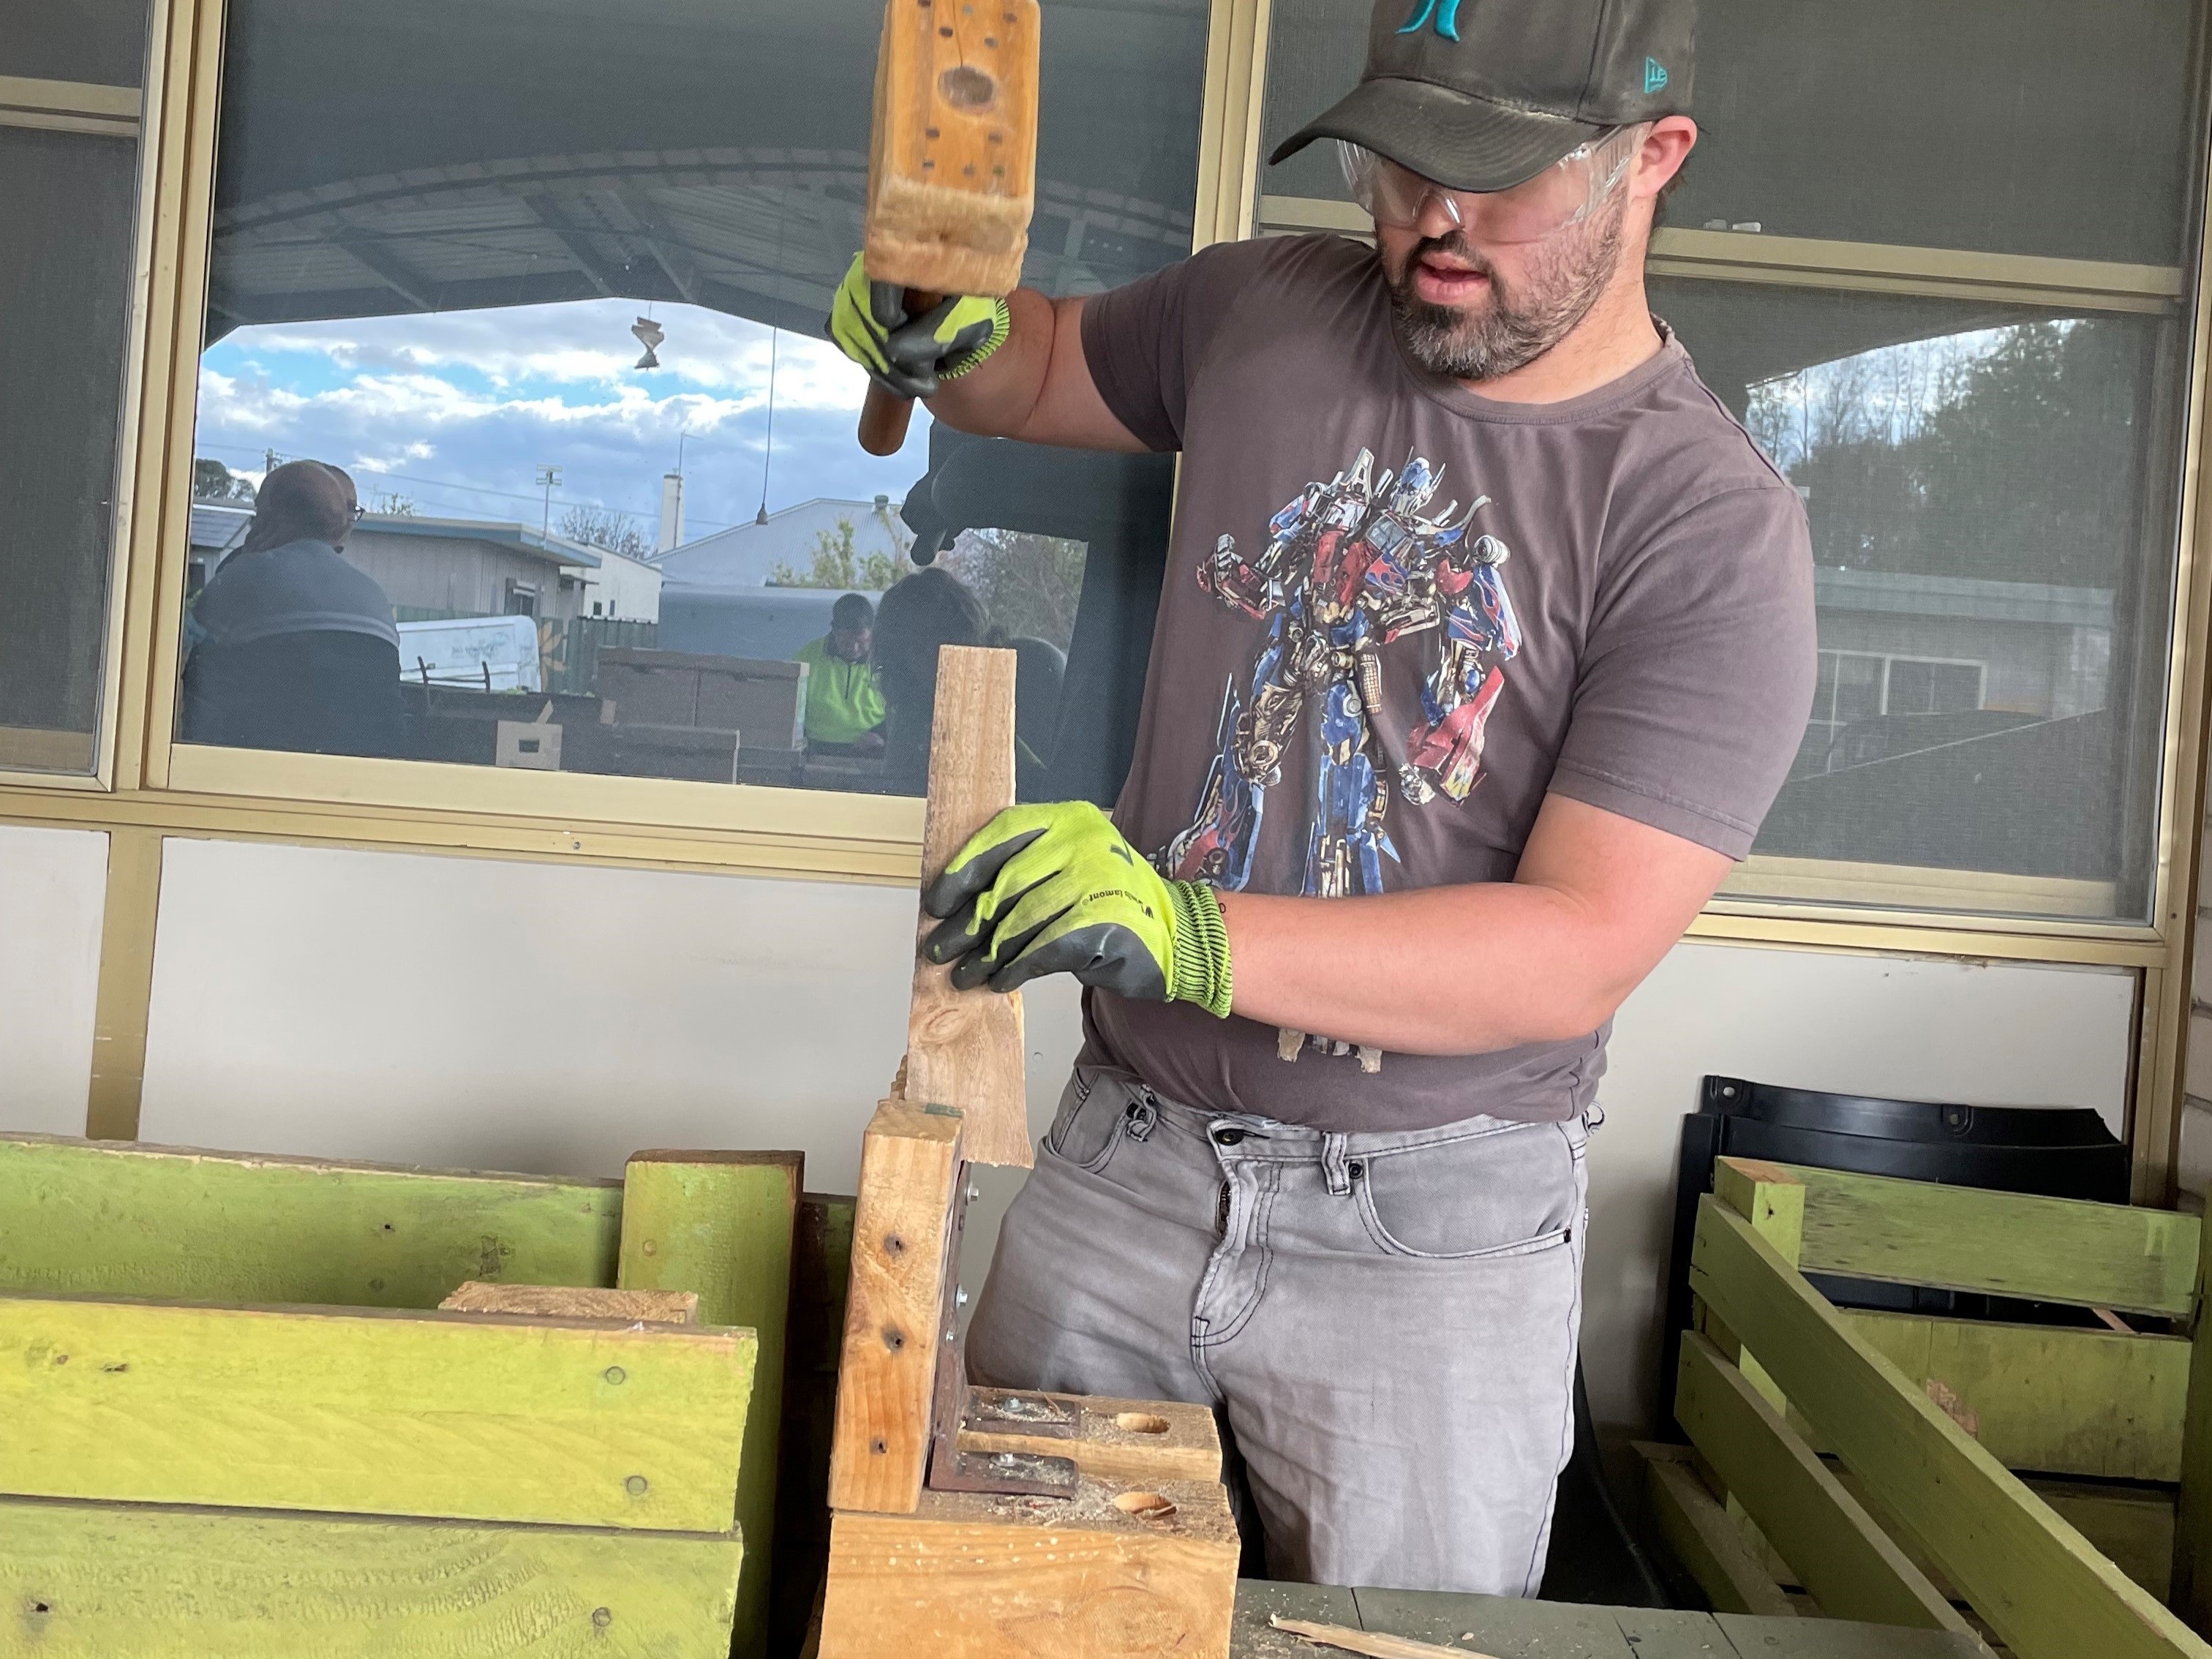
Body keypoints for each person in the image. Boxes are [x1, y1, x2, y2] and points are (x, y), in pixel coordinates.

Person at [828, 0, 1816, 1596]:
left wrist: (1188, 931)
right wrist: (957, 333)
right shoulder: (1264, 310)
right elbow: (1051, 366)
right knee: (1011, 1615)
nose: (1433, 219)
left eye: (1497, 176)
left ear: (1653, 159)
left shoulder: (1704, 523)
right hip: (1126, 1161)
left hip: (1431, 1227)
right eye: (1400, 163)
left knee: (1393, 1641)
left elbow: (1573, 947)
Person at [181, 460, 406, 758]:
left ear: (276, 519)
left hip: (263, 764)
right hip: (368, 768)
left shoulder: (244, 576)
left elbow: (183, 659)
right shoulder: (373, 594)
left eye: (260, 513)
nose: (253, 525)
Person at [792, 592, 888, 755]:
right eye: (846, 642)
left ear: (873, 632)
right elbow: (787, 704)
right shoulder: (807, 658)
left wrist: (882, 735)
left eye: (862, 641)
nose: (854, 648)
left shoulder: (887, 661)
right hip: (816, 750)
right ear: (835, 630)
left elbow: (902, 708)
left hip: (872, 749)